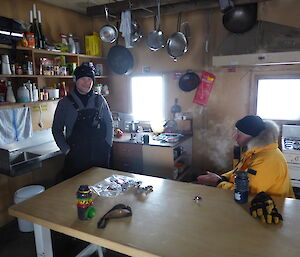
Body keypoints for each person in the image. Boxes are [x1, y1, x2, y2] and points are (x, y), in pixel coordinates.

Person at [197, 115, 295, 198]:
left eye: (239, 133)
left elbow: (247, 193)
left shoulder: (267, 160)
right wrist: (224, 178)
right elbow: (241, 171)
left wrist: (218, 182)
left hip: (276, 210)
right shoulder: (255, 151)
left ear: (253, 136)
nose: (234, 136)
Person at [52, 64, 113, 179]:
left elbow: (109, 123)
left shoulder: (100, 100)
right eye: (83, 79)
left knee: (101, 187)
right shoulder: (64, 103)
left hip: (100, 154)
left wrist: (107, 144)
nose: (87, 82)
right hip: (76, 157)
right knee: (76, 190)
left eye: (90, 79)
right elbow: (56, 129)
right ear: (75, 80)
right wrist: (66, 150)